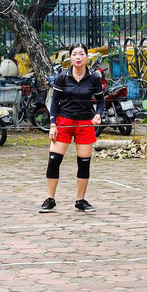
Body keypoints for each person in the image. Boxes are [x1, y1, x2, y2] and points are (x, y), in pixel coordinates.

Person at [40, 43, 104, 214]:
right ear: (70, 57)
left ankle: (80, 200)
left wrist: (98, 114)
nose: (78, 57)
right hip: (64, 122)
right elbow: (54, 102)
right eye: (74, 54)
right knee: (54, 160)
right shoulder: (62, 77)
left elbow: (101, 101)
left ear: (86, 57)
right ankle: (50, 199)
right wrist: (53, 124)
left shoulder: (94, 78)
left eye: (81, 54)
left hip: (84, 123)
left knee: (84, 163)